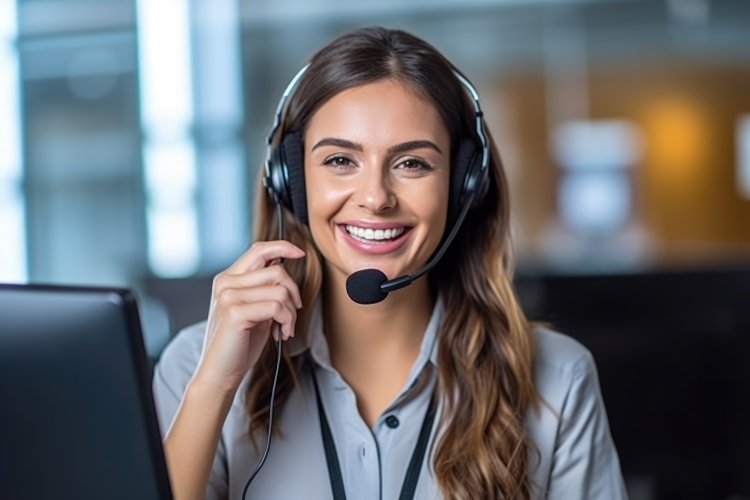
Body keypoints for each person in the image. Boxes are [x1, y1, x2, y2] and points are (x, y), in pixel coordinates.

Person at [152, 26, 628, 500]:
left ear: (465, 187)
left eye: (412, 164)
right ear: (290, 180)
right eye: (340, 160)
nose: (376, 198)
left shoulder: (557, 379)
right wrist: (215, 385)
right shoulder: (195, 366)